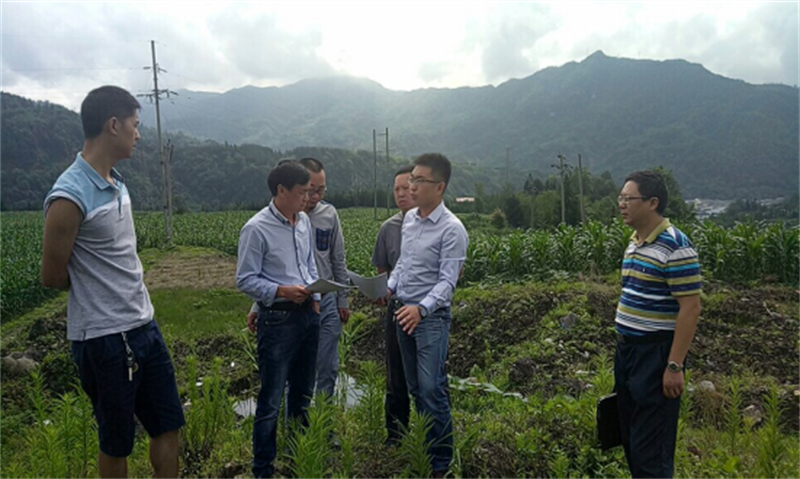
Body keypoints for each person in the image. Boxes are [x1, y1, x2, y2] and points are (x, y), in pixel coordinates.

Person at [41, 85, 184, 479]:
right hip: (104, 339)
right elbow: (52, 276)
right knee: (117, 442)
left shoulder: (117, 182)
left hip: (144, 324)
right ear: (114, 125)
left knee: (168, 425)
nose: (139, 134)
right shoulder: (69, 197)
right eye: (135, 125)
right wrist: (98, 289)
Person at [614, 170, 703, 478]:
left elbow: (691, 308)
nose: (622, 204)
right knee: (631, 439)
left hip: (655, 354)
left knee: (651, 451)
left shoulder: (675, 246)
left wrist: (674, 365)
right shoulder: (634, 243)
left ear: (652, 203)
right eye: (621, 198)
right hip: (627, 353)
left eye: (629, 198)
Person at [236, 160, 322, 479]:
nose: (307, 199)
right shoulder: (256, 228)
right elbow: (245, 279)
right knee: (271, 398)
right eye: (302, 193)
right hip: (278, 319)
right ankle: (263, 469)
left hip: (307, 316)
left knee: (302, 393)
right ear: (281, 190)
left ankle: (298, 459)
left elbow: (309, 265)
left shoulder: (303, 222)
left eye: (310, 192)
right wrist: (281, 291)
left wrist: (315, 296)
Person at [387, 153, 469, 477]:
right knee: (415, 388)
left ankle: (441, 462)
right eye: (412, 179)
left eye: (420, 180)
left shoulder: (452, 229)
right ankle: (425, 448)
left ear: (440, 187)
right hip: (402, 311)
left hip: (430, 318)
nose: (412, 186)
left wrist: (421, 309)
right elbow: (404, 264)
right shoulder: (410, 220)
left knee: (432, 387)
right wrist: (389, 286)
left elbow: (448, 282)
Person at [372, 165, 415, 444]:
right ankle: (396, 436)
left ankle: (433, 439)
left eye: (406, 188)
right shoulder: (388, 228)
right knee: (395, 374)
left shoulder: (439, 226)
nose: (400, 194)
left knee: (429, 379)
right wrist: (382, 291)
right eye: (396, 189)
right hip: (397, 308)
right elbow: (383, 271)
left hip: (427, 311)